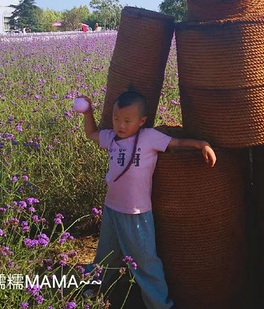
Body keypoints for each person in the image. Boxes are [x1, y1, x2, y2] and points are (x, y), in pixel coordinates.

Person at [77, 90, 216, 308]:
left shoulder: (149, 137)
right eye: (116, 119)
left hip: (136, 213)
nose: (120, 125)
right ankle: (97, 287)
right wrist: (88, 113)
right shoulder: (111, 137)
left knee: (145, 263)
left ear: (141, 121)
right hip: (112, 208)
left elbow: (177, 144)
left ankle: (160, 304)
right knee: (106, 255)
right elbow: (91, 134)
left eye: (127, 121)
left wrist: (201, 144)